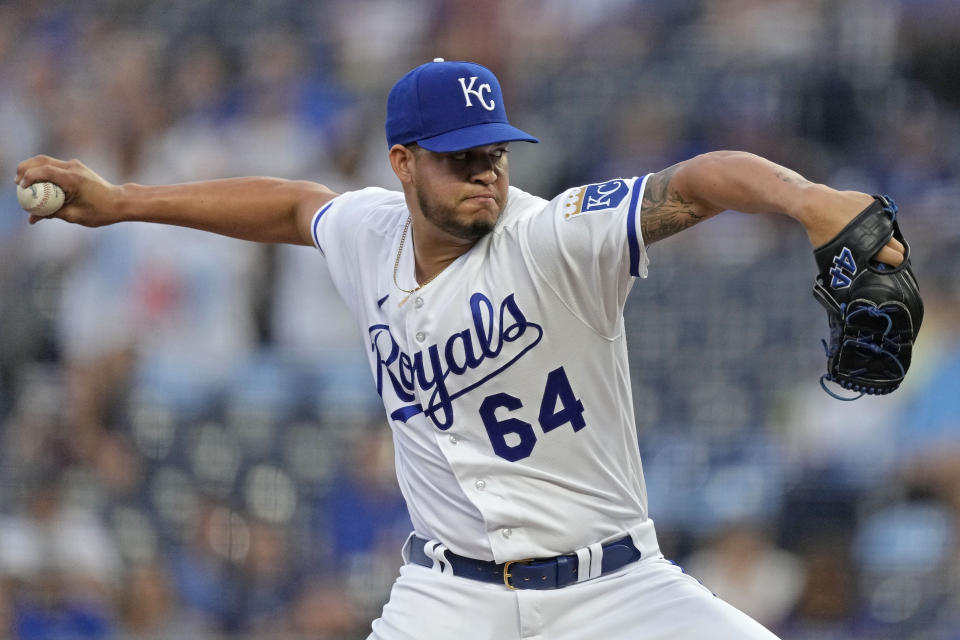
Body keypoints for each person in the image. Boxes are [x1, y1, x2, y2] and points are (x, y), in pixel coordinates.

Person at [17, 58, 905, 640]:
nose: (486, 171)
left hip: (616, 591)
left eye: (496, 152)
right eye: (459, 157)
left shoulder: (556, 236)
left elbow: (703, 181)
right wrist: (125, 200)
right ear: (402, 163)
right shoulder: (369, 231)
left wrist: (808, 199)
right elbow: (293, 206)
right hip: (450, 596)